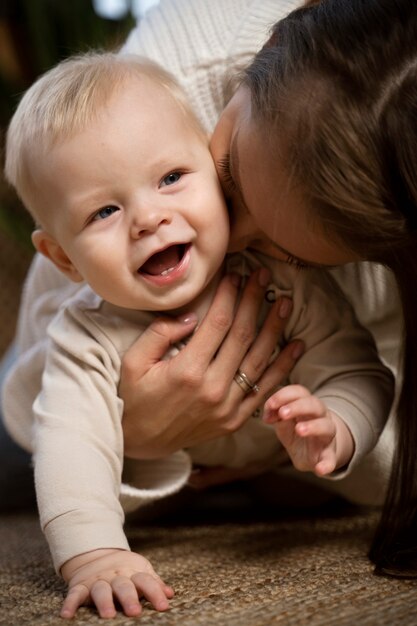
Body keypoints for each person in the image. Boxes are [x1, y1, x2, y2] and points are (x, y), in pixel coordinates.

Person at [0, 0, 412, 577]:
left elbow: (359, 372)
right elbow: (69, 448)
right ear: (63, 257)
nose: (149, 219)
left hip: (280, 476)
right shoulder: (84, 331)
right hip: (153, 468)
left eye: (172, 179)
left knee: (300, 493)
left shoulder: (284, 282)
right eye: (105, 212)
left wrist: (335, 429)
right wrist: (95, 554)